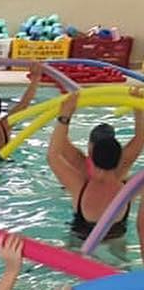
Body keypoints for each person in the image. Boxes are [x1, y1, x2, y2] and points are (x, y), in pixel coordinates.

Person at [48, 93, 132, 239]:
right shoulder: (130, 188)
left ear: (91, 157)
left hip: (80, 243)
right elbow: (140, 138)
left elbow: (53, 155)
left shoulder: (79, 186)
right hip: (117, 243)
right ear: (119, 160)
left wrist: (65, 116)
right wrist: (139, 110)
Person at [52, 91, 144, 181]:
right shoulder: (122, 163)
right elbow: (140, 137)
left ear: (90, 146)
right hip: (119, 190)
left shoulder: (80, 164)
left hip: (86, 191)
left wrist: (65, 113)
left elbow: (58, 144)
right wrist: (138, 108)